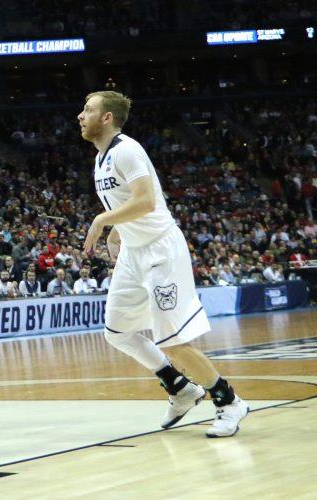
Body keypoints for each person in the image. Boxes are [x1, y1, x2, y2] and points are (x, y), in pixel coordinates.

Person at [79, 90, 247, 437]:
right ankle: (180, 387)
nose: (81, 115)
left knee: (171, 341)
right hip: (133, 251)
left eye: (88, 109)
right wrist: (118, 232)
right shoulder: (100, 159)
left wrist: (103, 221)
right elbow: (131, 204)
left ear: (107, 117)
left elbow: (146, 202)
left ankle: (229, 401)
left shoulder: (127, 149)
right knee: (117, 331)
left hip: (160, 250)